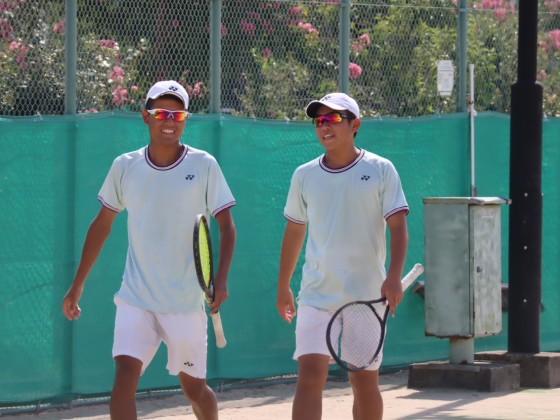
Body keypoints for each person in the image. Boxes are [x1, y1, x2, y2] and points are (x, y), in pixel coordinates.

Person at [62, 80, 236, 420]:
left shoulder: (204, 165)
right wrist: (78, 283)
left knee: (195, 390)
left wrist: (222, 278)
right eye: (161, 113)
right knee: (125, 375)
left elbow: (227, 226)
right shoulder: (125, 166)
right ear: (146, 117)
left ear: (185, 120)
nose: (169, 120)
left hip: (184, 304)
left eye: (177, 114)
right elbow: (102, 224)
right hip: (136, 298)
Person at [276, 92, 409, 420]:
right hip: (316, 295)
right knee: (309, 376)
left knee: (363, 382)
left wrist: (394, 276)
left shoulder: (381, 169)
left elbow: (398, 228)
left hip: (367, 297)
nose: (325, 126)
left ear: (355, 125)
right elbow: (295, 231)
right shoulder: (304, 175)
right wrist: (283, 285)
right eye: (319, 121)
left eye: (334, 119)